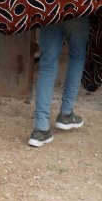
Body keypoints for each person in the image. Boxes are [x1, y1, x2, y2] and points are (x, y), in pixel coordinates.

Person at [28, 17, 90, 147]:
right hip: (78, 9)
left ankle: (41, 129)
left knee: (47, 66)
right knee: (77, 57)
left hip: (51, 8)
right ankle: (66, 114)